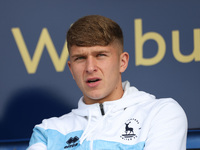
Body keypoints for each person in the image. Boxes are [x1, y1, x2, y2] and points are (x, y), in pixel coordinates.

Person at [27, 15, 187, 150]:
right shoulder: (48, 131)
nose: (90, 68)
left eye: (100, 55)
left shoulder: (161, 113)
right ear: (71, 69)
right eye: (80, 58)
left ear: (122, 62)